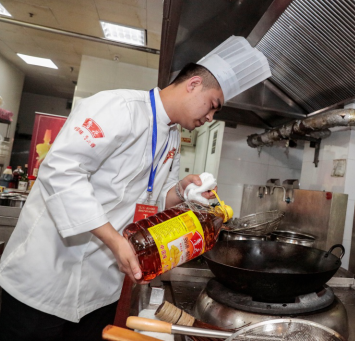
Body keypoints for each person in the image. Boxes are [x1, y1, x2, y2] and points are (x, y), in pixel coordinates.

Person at [0, 36, 271, 340]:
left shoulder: (171, 137)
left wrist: (181, 190)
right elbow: (61, 171)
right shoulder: (117, 108)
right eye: (213, 106)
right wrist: (115, 241)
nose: (210, 118)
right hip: (44, 279)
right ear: (193, 84)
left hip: (99, 288)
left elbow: (152, 199)